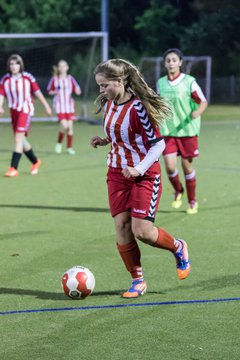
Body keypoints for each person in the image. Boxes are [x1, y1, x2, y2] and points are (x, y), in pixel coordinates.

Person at [90, 59, 191, 299]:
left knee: (142, 231)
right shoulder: (109, 104)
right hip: (116, 172)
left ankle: (178, 247)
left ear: (119, 81)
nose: (101, 91)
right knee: (121, 226)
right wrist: (105, 140)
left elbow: (158, 145)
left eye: (104, 85)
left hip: (144, 174)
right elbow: (119, 132)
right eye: (99, 86)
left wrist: (138, 168)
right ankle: (138, 281)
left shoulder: (138, 108)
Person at [157, 48, 208, 214]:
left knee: (187, 168)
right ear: (165, 64)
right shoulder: (161, 83)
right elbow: (158, 104)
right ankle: (178, 191)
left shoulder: (189, 81)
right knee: (170, 167)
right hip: (168, 130)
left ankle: (192, 201)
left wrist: (197, 113)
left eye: (174, 60)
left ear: (180, 62)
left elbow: (203, 102)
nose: (171, 63)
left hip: (187, 131)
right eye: (168, 60)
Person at [0, 54, 52, 177]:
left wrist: (47, 106)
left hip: (26, 110)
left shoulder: (28, 78)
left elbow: (37, 92)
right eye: (11, 64)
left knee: (18, 139)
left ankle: (13, 168)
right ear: (9, 66)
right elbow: (1, 94)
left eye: (16, 63)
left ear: (20, 65)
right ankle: (35, 161)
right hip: (13, 111)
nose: (14, 66)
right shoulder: (5, 79)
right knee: (21, 140)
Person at [47, 60, 82, 155]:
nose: (62, 68)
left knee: (70, 128)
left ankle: (69, 148)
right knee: (65, 126)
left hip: (69, 106)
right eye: (60, 66)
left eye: (64, 66)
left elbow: (77, 88)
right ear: (58, 68)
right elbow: (49, 91)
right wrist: (55, 92)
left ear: (67, 67)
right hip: (59, 106)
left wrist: (78, 91)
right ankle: (59, 143)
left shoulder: (70, 78)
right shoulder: (55, 79)